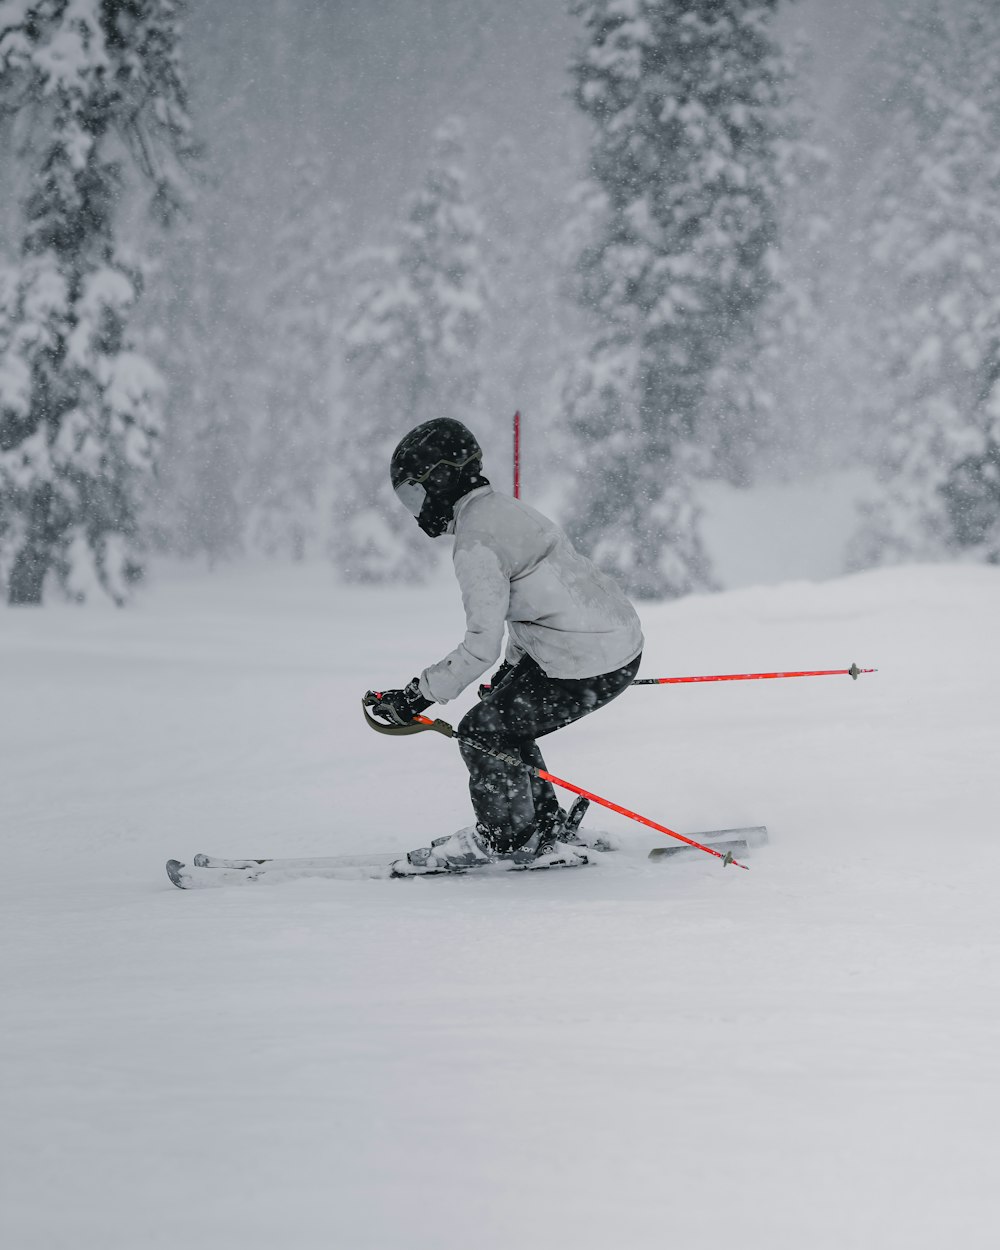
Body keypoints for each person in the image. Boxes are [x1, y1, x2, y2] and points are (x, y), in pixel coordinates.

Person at [367, 418, 643, 872]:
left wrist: (416, 695)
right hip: (609, 643)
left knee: (481, 731)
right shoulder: (505, 510)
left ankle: (506, 838)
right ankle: (543, 828)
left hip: (584, 661)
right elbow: (536, 605)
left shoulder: (477, 543)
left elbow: (480, 645)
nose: (416, 510)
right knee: (505, 723)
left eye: (414, 494)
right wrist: (509, 674)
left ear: (441, 480)